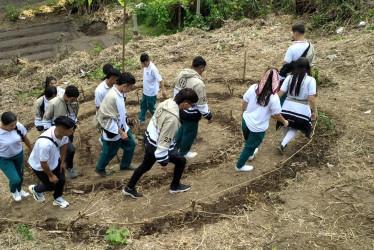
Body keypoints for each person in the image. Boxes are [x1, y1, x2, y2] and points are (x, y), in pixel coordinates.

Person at [123, 88, 199, 198]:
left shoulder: (167, 102)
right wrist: (163, 161)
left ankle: (129, 187)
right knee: (181, 161)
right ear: (185, 103)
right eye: (191, 105)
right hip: (156, 145)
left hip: (149, 138)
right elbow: (164, 141)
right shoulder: (172, 119)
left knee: (145, 166)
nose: (190, 107)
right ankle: (175, 186)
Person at [236, 69, 289, 172]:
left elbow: (245, 101)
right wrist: (284, 122)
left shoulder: (254, 87)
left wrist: (244, 112)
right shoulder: (273, 97)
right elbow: (277, 114)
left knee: (249, 142)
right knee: (250, 146)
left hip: (246, 121)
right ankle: (239, 166)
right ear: (276, 81)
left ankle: (250, 155)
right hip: (258, 127)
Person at [94, 72, 137, 177]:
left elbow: (119, 111)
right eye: (130, 87)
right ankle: (100, 168)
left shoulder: (119, 93)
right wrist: (121, 132)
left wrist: (125, 120)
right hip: (114, 130)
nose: (130, 90)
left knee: (131, 144)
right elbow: (107, 119)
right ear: (124, 85)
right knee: (110, 152)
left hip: (122, 127)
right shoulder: (111, 97)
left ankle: (125, 165)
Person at [28, 116, 75, 208]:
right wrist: (51, 175)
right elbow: (43, 163)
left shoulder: (61, 133)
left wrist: (62, 162)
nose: (72, 131)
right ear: (62, 131)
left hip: (54, 160)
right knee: (51, 185)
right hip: (40, 166)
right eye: (71, 130)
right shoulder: (45, 144)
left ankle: (57, 198)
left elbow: (64, 145)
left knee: (61, 180)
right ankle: (35, 189)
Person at [173, 56, 212, 159]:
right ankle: (183, 153)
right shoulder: (198, 84)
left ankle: (174, 148)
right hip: (191, 113)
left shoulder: (181, 74)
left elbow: (176, 92)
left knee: (182, 129)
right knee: (190, 134)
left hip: (179, 109)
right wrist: (208, 116)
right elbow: (201, 104)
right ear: (202, 68)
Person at [276, 58, 317, 154]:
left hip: (286, 108)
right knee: (297, 126)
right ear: (308, 67)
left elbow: (280, 94)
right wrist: (315, 111)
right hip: (302, 108)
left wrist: (270, 104)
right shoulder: (311, 80)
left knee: (286, 123)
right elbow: (311, 98)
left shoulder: (289, 77)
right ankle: (282, 144)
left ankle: (283, 143)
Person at [43, 85, 80, 179]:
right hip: (57, 133)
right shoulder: (54, 103)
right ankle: (56, 171)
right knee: (68, 150)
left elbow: (75, 115)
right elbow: (46, 119)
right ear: (65, 95)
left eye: (75, 99)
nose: (74, 101)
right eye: (72, 99)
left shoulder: (75, 102)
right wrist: (51, 133)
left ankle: (68, 166)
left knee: (68, 151)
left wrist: (74, 125)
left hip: (69, 131)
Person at [279, 24, 315, 105]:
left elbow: (286, 63)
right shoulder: (311, 46)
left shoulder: (292, 48)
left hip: (292, 75)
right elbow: (312, 64)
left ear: (295, 33)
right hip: (306, 75)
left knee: (285, 94)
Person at [0, 112, 33, 201]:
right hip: (4, 158)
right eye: (11, 125)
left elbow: (25, 138)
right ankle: (14, 191)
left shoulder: (18, 125)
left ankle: (19, 190)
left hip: (18, 154)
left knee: (20, 175)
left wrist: (31, 149)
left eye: (15, 124)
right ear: (3, 124)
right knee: (15, 179)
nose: (14, 126)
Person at [138, 53, 167, 123]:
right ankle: (141, 118)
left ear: (148, 61)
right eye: (142, 64)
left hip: (151, 92)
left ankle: (158, 120)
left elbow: (161, 80)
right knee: (143, 104)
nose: (143, 66)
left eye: (144, 64)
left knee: (151, 107)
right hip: (145, 91)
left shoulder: (153, 69)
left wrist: (163, 90)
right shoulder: (145, 67)